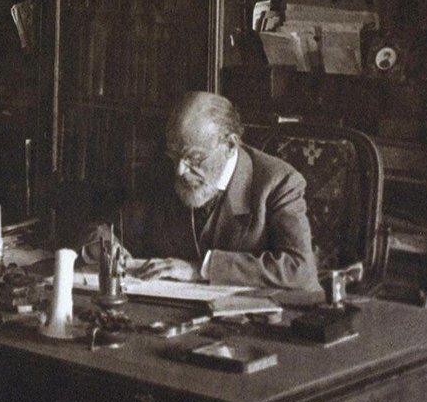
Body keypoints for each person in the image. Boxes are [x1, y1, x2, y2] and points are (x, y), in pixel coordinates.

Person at [83, 91, 320, 291]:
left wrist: (201, 269)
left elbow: (300, 270)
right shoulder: (161, 171)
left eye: (195, 158)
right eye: (174, 155)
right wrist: (107, 246)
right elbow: (104, 227)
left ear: (230, 145)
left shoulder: (278, 182)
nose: (180, 170)